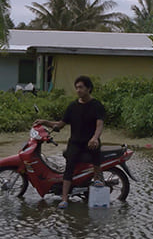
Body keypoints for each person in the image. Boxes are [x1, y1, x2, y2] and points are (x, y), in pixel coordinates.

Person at [34, 75, 105, 209]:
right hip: (75, 143)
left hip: (90, 141)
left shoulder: (97, 105)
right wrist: (45, 122)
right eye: (77, 87)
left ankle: (97, 179)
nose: (78, 90)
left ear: (88, 88)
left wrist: (95, 137)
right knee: (69, 167)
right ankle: (65, 198)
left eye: (81, 87)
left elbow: (99, 125)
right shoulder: (73, 106)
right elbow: (60, 124)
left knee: (96, 150)